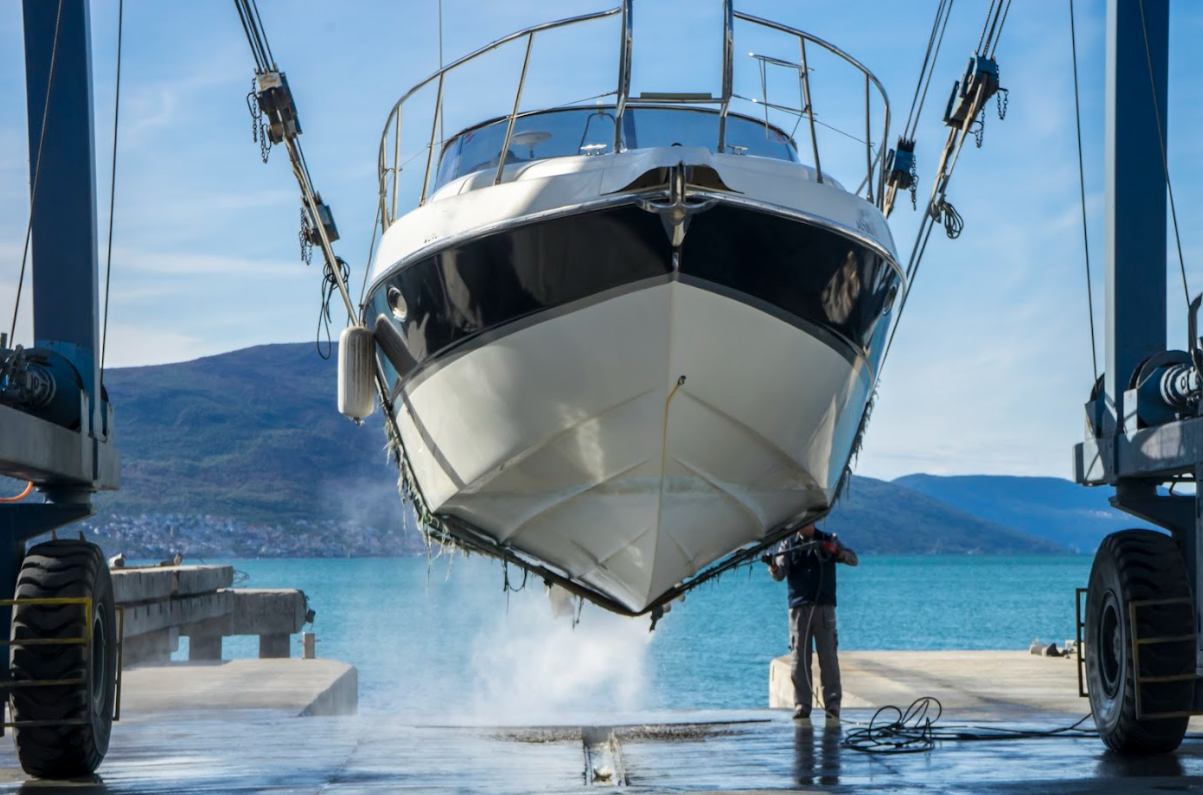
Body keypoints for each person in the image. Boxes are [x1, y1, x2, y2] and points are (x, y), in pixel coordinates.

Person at [768, 523, 859, 726]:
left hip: (824, 607)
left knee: (828, 658)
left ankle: (833, 705)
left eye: (806, 522)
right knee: (799, 659)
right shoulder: (788, 544)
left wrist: (837, 553)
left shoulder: (829, 538)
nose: (802, 526)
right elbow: (779, 574)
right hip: (799, 608)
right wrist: (772, 567)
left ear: (813, 522)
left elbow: (853, 559)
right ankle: (802, 706)